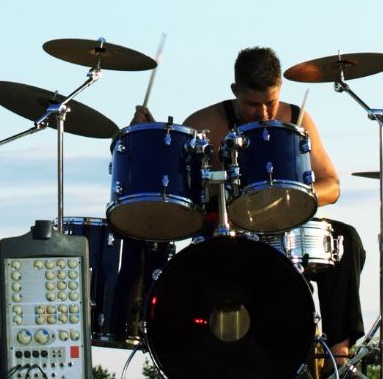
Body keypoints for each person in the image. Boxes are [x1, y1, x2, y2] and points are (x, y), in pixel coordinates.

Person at [138, 45, 369, 374]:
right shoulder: (204, 124)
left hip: (285, 227)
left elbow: (331, 183)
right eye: (253, 105)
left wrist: (295, 198)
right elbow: (181, 195)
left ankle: (338, 357)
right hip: (225, 235)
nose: (264, 114)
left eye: (270, 102)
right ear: (235, 91)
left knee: (345, 240)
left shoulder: (296, 119)